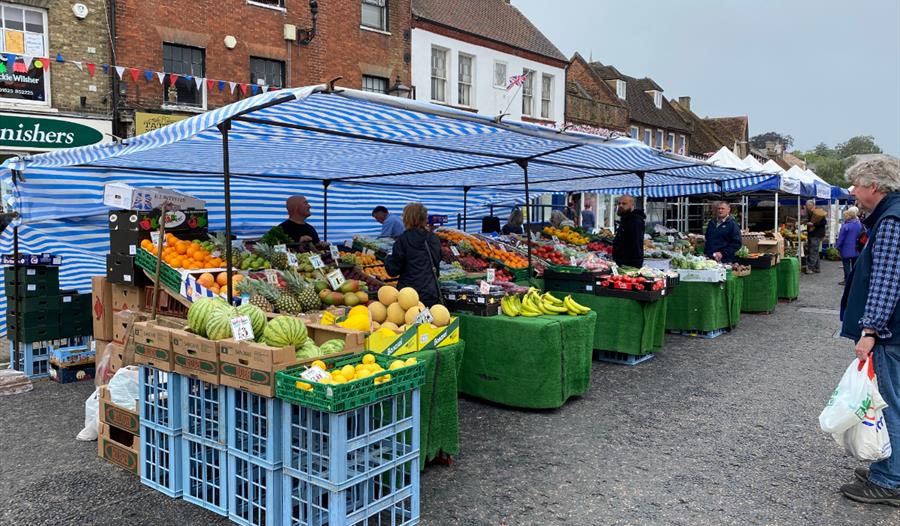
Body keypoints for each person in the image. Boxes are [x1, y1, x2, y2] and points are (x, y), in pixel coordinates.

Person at [838, 155, 900, 506]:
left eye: (857, 185)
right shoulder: (891, 214)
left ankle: (889, 480)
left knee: (889, 402)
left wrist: (870, 330)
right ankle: (891, 466)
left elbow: (887, 282)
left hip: (892, 332)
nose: (853, 191)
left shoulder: (892, 220)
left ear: (874, 186)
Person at [385, 203, 443, 307]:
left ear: (406, 218)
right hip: (430, 292)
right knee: (430, 322)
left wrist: (388, 258)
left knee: (409, 322)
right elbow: (437, 262)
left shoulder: (403, 240)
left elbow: (393, 270)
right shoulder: (434, 239)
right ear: (424, 218)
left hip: (408, 295)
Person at [612, 195, 645, 268]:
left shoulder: (635, 221)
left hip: (629, 265)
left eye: (624, 204)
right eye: (619, 203)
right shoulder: (625, 219)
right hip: (621, 262)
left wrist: (633, 265)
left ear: (632, 205)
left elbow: (636, 244)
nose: (620, 205)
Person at [835, 207, 862, 285]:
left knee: (846, 265)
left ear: (848, 216)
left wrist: (837, 247)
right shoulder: (859, 224)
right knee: (854, 265)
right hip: (856, 248)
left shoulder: (845, 226)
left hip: (846, 248)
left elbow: (841, 239)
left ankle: (847, 280)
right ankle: (854, 279)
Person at [804, 198, 827, 274]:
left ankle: (810, 268)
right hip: (813, 234)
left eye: (807, 205)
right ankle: (817, 268)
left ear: (812, 205)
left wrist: (813, 224)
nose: (806, 207)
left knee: (813, 251)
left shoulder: (818, 212)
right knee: (815, 251)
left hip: (816, 234)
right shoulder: (811, 212)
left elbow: (823, 223)